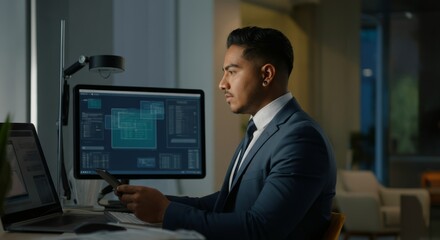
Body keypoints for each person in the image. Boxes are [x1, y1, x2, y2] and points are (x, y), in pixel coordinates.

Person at [116, 26, 336, 239]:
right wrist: (150, 201)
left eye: (232, 72)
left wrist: (166, 211)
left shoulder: (301, 138)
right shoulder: (261, 129)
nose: (222, 84)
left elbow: (261, 229)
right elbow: (226, 201)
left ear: (267, 74)